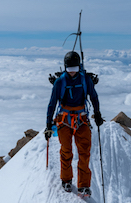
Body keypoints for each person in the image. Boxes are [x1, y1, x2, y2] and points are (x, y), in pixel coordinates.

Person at [44, 51, 103, 195]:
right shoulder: (60, 82)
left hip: (81, 118)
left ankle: (83, 184)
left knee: (84, 152)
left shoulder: (85, 80)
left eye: (75, 69)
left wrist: (98, 113)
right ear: (65, 68)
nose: (72, 73)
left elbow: (94, 97)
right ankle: (66, 180)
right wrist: (48, 124)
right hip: (65, 119)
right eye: (70, 70)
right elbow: (52, 104)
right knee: (66, 151)